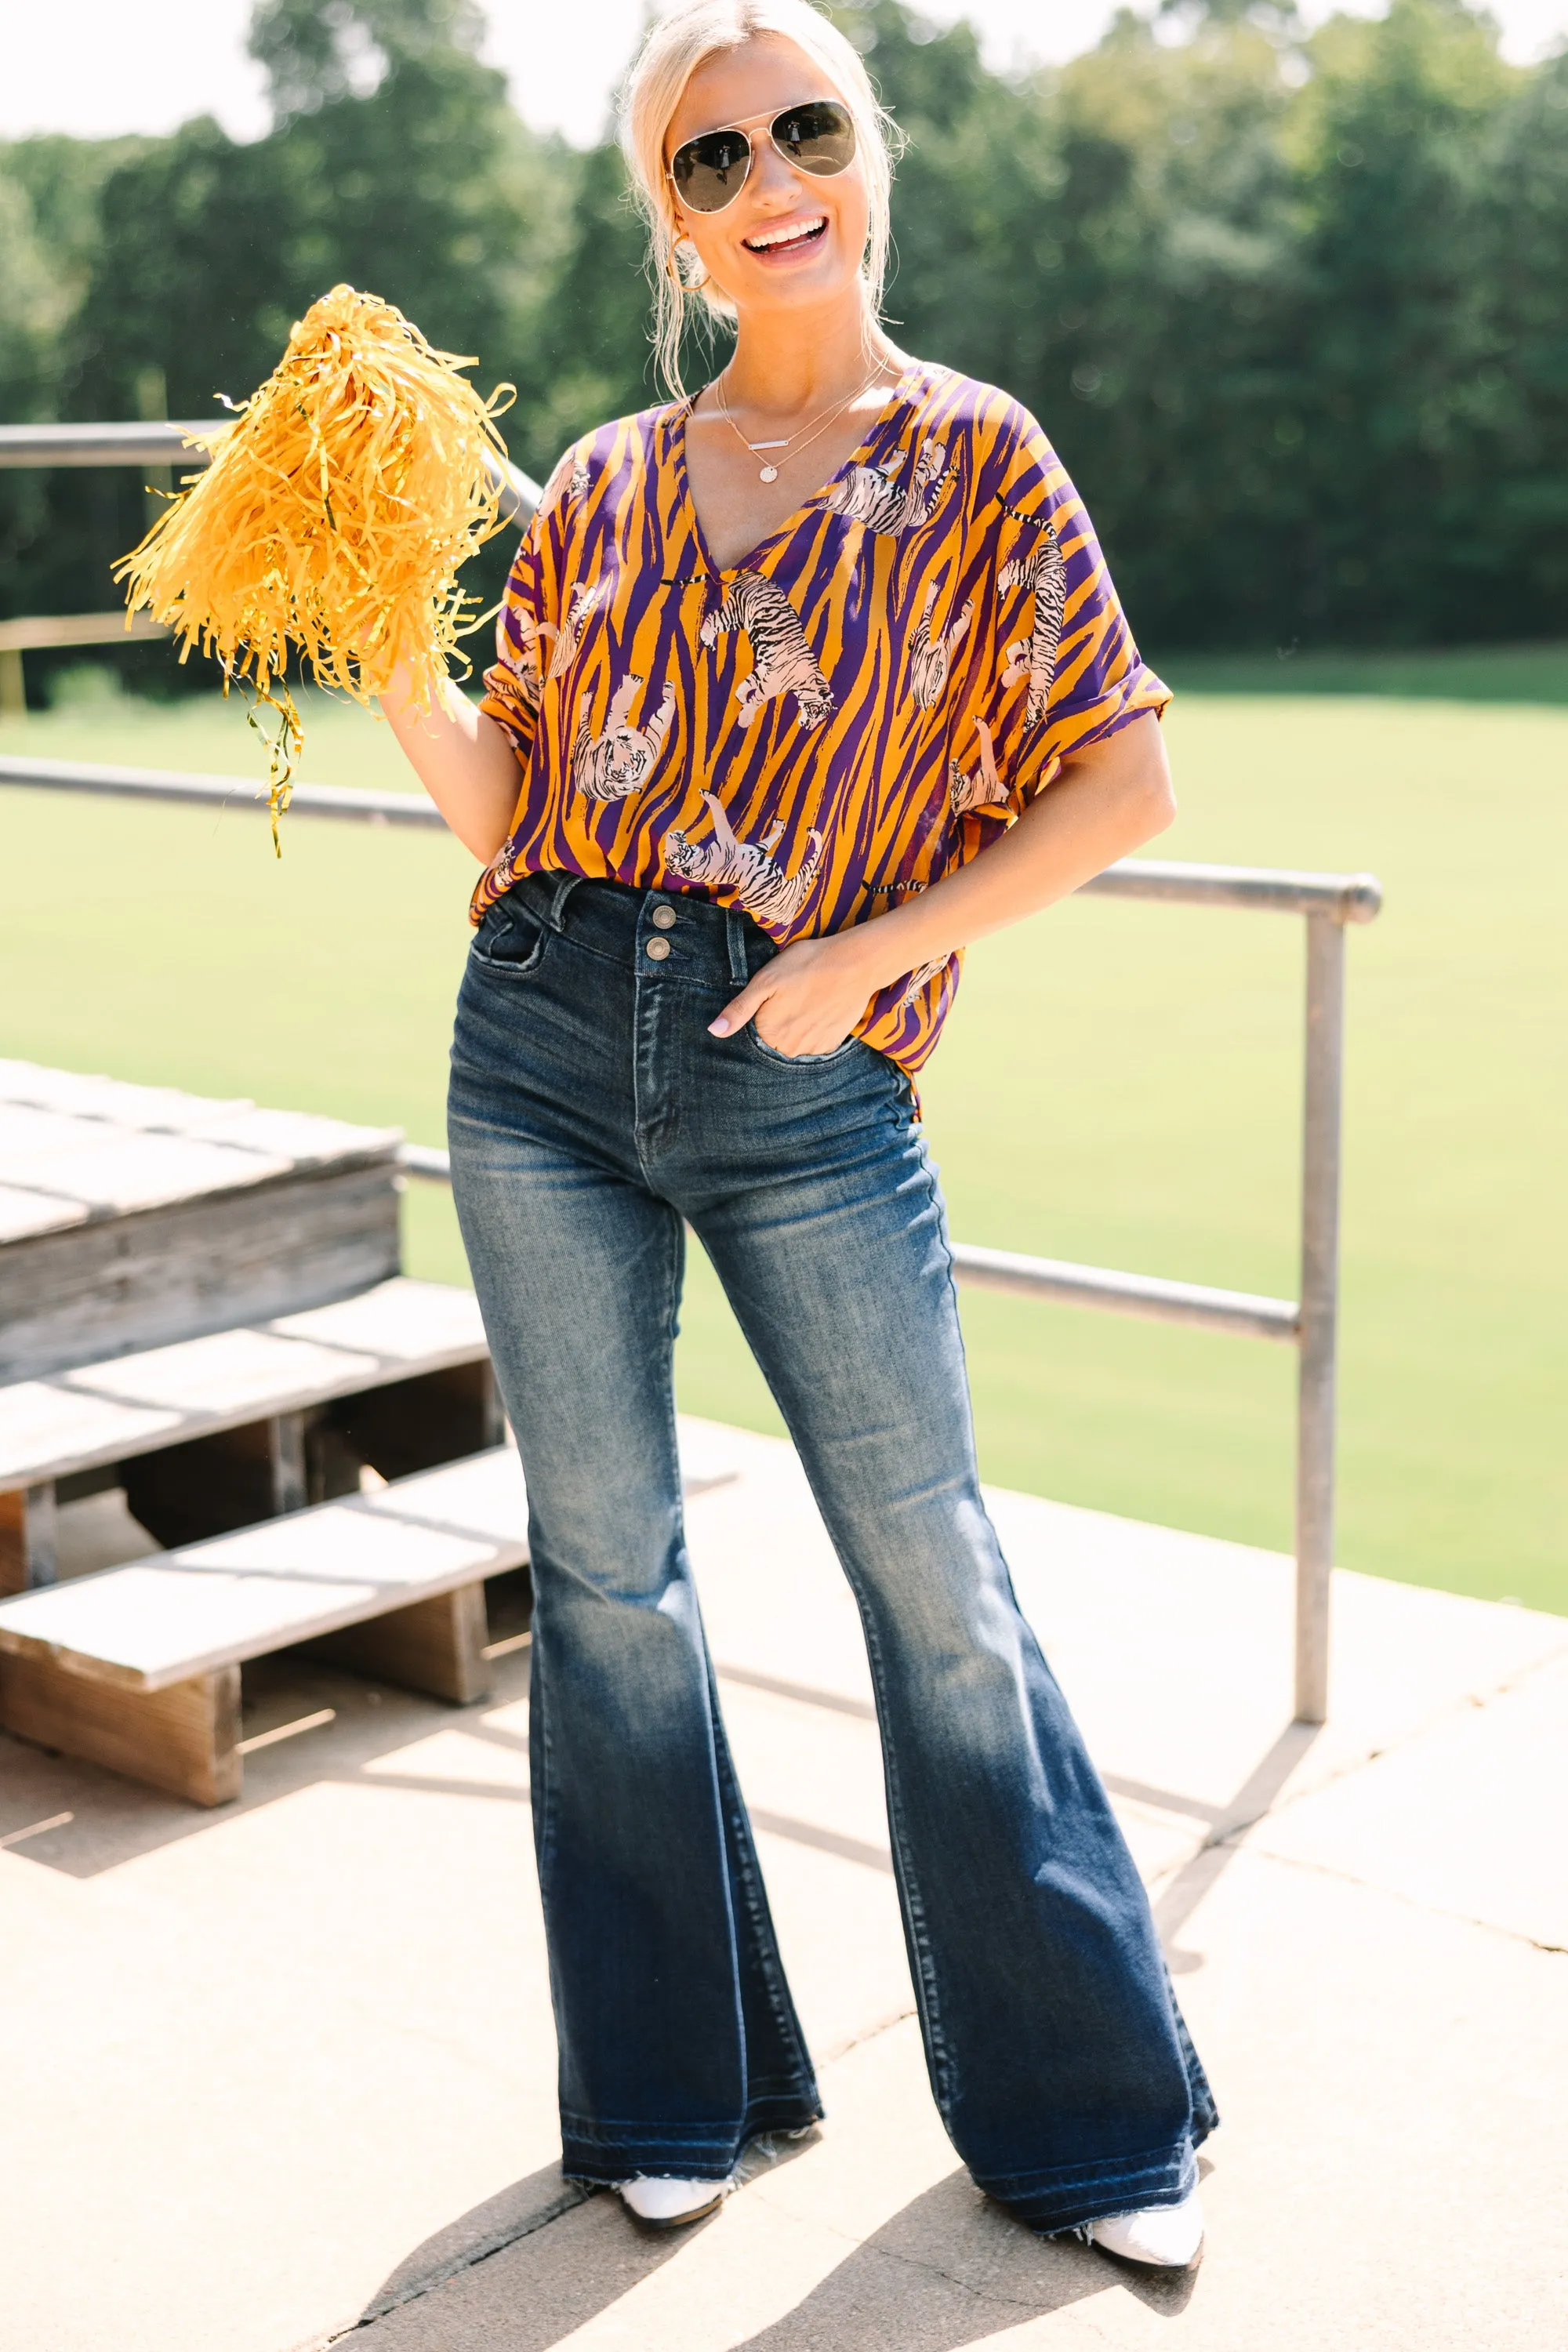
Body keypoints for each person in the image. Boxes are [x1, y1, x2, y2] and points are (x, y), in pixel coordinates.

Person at [383, 0, 1216, 2273]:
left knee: (934, 1582)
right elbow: (509, 803)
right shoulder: (614, 480)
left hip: (808, 1078)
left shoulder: (976, 460)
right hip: (540, 1041)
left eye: (802, 126)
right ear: (668, 217)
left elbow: (1125, 781)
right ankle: (672, 2093)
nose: (767, 176)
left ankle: (1093, 2125)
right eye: (707, 156)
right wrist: (385, 654)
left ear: (869, 150)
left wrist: (874, 956)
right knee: (612, 1582)